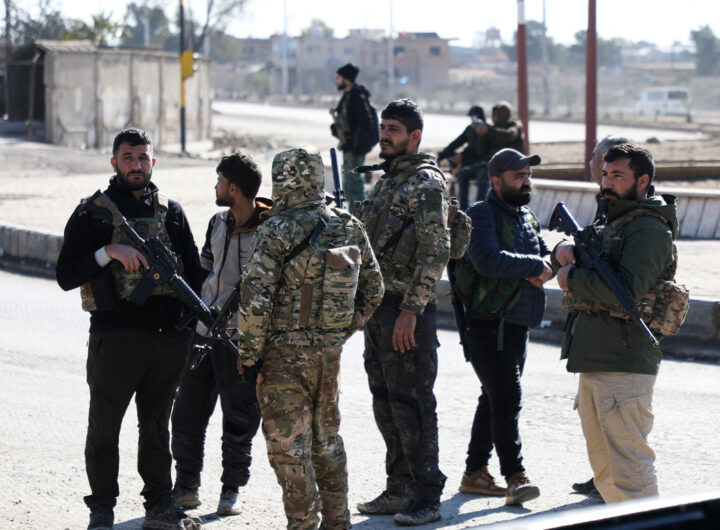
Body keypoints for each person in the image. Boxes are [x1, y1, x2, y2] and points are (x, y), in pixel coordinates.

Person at [55, 128, 203, 530]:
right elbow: (66, 275)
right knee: (104, 428)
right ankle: (102, 509)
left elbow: (195, 275)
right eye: (127, 157)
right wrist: (108, 252)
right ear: (114, 162)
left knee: (155, 429)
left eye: (142, 158)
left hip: (168, 340)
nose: (136, 165)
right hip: (115, 337)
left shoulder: (172, 212)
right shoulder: (92, 214)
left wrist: (188, 329)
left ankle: (159, 505)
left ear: (153, 162)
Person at [233, 146, 384, 529]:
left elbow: (256, 299)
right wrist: (340, 332)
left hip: (282, 357)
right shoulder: (348, 225)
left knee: (290, 450)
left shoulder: (277, 229)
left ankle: (303, 524)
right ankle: (338, 522)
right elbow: (374, 289)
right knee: (327, 441)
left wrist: (249, 357)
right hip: (328, 355)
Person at [553, 143, 677, 503]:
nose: (607, 182)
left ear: (643, 181)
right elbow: (576, 254)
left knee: (632, 477)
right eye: (605, 174)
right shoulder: (611, 220)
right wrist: (562, 250)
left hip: (624, 364)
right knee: (607, 475)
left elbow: (626, 290)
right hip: (595, 359)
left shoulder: (649, 228)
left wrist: (571, 278)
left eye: (617, 175)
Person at [354, 99, 450, 526]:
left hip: (406, 309)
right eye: (383, 127)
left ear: (415, 137)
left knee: (413, 403)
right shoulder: (388, 180)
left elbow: (436, 250)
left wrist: (412, 309)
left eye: (393, 129)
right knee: (385, 401)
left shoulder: (426, 183)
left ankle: (427, 495)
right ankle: (398, 488)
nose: (384, 135)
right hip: (378, 307)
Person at [171, 153, 272, 515]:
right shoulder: (217, 222)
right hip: (204, 333)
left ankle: (231, 489)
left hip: (242, 340)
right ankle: (186, 485)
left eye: (219, 181)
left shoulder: (269, 230)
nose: (215, 187)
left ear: (233, 188)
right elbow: (204, 271)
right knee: (187, 413)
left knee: (240, 417)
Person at [453, 148, 551, 506]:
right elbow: (487, 260)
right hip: (487, 325)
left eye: (528, 175)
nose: (526, 182)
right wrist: (535, 267)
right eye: (518, 176)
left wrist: (552, 261)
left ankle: (475, 472)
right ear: (496, 181)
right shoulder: (481, 214)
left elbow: (546, 256)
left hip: (516, 324)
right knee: (507, 398)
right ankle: (515, 477)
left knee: (494, 397)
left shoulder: (526, 217)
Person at [571, 134, 628, 499]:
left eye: (597, 157)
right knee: (592, 411)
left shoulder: (624, 207)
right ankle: (603, 477)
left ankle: (617, 484)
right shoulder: (604, 202)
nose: (592, 164)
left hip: (617, 327)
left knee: (617, 415)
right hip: (594, 324)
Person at [330, 63, 379, 210]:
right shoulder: (348, 97)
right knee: (349, 185)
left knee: (355, 186)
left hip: (355, 150)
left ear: (346, 79)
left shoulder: (357, 98)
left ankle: (359, 217)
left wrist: (354, 146)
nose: (336, 81)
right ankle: (354, 214)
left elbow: (366, 125)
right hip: (349, 148)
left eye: (338, 78)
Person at [437, 105, 492, 210]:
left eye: (473, 116)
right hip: (471, 166)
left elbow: (476, 148)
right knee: (463, 174)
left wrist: (462, 155)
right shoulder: (470, 129)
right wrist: (441, 156)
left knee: (482, 176)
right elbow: (456, 143)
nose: (472, 119)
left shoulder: (487, 130)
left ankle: (480, 209)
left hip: (483, 165)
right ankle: (463, 210)